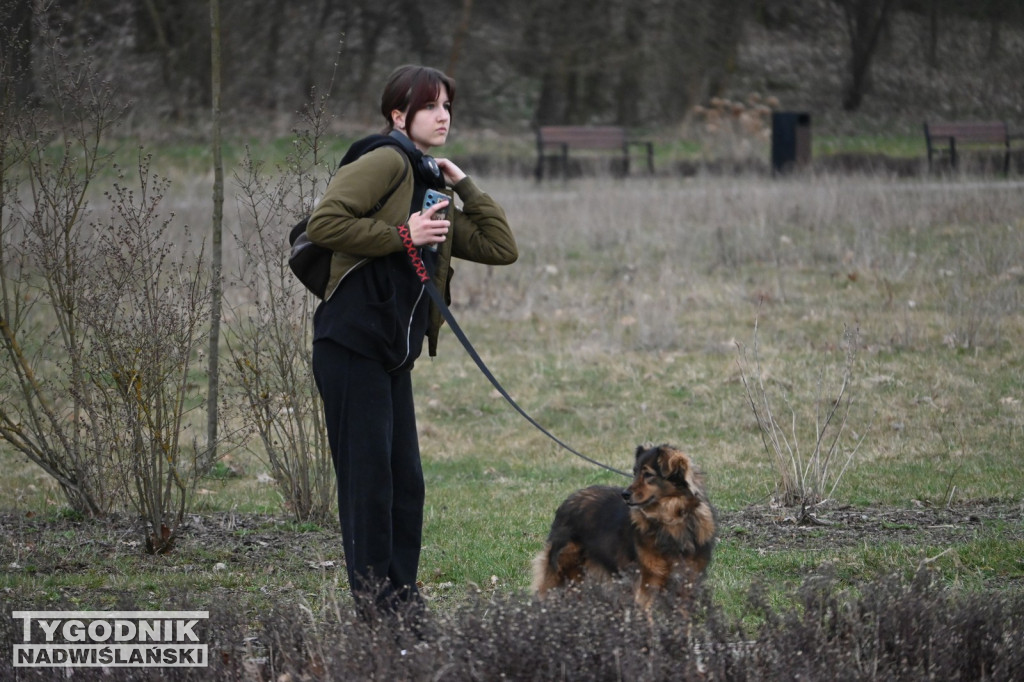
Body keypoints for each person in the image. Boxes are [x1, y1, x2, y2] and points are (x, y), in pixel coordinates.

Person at [305, 65, 518, 617]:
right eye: (430, 106)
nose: (443, 114)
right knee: (370, 488)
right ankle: (379, 612)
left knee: (405, 487)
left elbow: (500, 247)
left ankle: (404, 603)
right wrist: (404, 235)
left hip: (390, 356)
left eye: (447, 104)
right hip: (350, 346)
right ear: (399, 115)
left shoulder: (429, 183)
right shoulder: (384, 160)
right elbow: (324, 223)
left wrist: (462, 183)